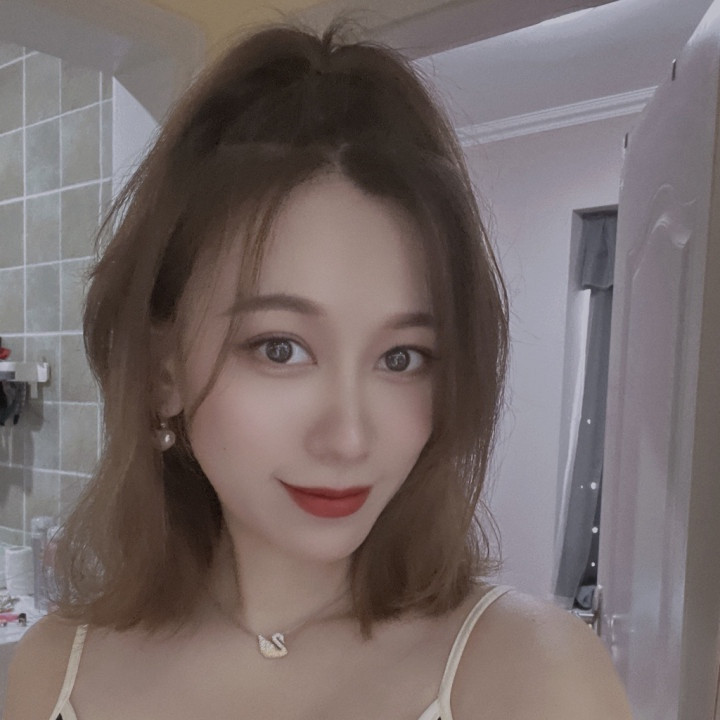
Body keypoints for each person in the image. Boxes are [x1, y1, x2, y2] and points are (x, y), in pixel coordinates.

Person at [3, 22, 632, 720]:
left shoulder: (531, 676)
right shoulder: (53, 669)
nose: (348, 438)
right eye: (281, 348)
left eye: (402, 357)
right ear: (161, 371)